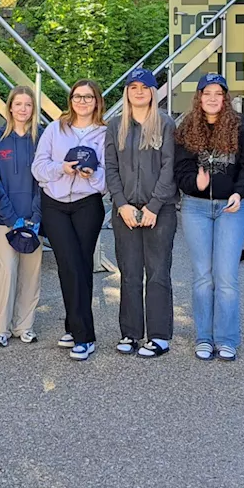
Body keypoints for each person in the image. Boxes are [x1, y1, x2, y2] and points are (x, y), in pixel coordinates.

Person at [174, 73, 244, 362]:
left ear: (225, 97)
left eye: (218, 93)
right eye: (206, 93)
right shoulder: (187, 126)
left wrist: (239, 192)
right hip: (196, 208)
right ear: (199, 97)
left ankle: (226, 339)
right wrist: (193, 184)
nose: (212, 98)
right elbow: (180, 169)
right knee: (202, 276)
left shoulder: (240, 125)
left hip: (230, 209)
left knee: (226, 277)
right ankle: (203, 337)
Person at [32, 79, 108, 361]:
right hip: (55, 204)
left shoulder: (104, 134)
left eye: (88, 97)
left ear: (97, 101)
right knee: (68, 265)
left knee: (81, 266)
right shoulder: (54, 129)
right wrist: (62, 169)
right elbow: (38, 168)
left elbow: (109, 177)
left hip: (87, 204)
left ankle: (81, 334)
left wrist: (93, 176)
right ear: (70, 99)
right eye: (78, 96)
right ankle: (80, 330)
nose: (83, 101)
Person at [104, 68, 178, 358]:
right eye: (132, 86)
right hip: (125, 212)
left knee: (158, 273)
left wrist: (154, 206)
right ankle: (131, 333)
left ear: (152, 92)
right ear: (127, 92)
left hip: (159, 212)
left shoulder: (166, 124)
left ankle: (159, 335)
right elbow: (110, 168)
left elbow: (169, 168)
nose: (138, 91)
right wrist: (121, 204)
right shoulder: (115, 126)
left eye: (144, 87)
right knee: (130, 274)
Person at [0, 86, 44, 347]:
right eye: (18, 104)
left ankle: (24, 325)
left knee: (31, 273)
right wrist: (11, 217)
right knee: (7, 271)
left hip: (33, 219)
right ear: (9, 107)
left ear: (33, 109)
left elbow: (44, 180)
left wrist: (35, 215)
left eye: (28, 105)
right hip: (5, 219)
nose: (23, 109)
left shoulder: (41, 138)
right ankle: (0, 327)